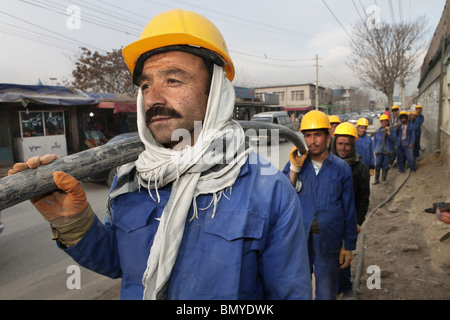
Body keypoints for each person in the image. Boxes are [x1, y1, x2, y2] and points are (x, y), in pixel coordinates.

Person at [9, 9, 312, 300]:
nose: (153, 97)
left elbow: (289, 293)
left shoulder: (267, 188)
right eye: (145, 84)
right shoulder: (132, 177)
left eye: (173, 80)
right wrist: (74, 223)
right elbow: (122, 264)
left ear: (215, 90)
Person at [283, 110, 358, 300]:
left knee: (326, 289)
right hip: (300, 238)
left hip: (329, 239)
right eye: (307, 135)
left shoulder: (342, 169)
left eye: (317, 135)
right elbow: (283, 197)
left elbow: (349, 209)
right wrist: (294, 169)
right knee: (298, 288)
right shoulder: (295, 164)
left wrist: (347, 246)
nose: (312, 141)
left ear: (328, 136)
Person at [331, 122, 370, 298]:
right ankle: (331, 288)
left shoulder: (360, 169)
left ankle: (346, 287)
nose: (343, 148)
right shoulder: (325, 165)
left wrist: (357, 222)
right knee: (328, 257)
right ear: (334, 143)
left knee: (344, 257)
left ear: (352, 145)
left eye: (347, 144)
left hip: (348, 221)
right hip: (328, 220)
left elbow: (363, 199)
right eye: (340, 143)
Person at [372, 114, 396, 184]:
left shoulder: (391, 130)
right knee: (377, 165)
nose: (384, 123)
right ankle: (376, 179)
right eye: (382, 122)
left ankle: (383, 179)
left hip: (387, 151)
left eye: (385, 121)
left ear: (387, 122)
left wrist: (389, 133)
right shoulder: (378, 131)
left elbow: (394, 139)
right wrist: (375, 150)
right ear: (380, 122)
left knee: (385, 165)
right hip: (379, 151)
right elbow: (375, 141)